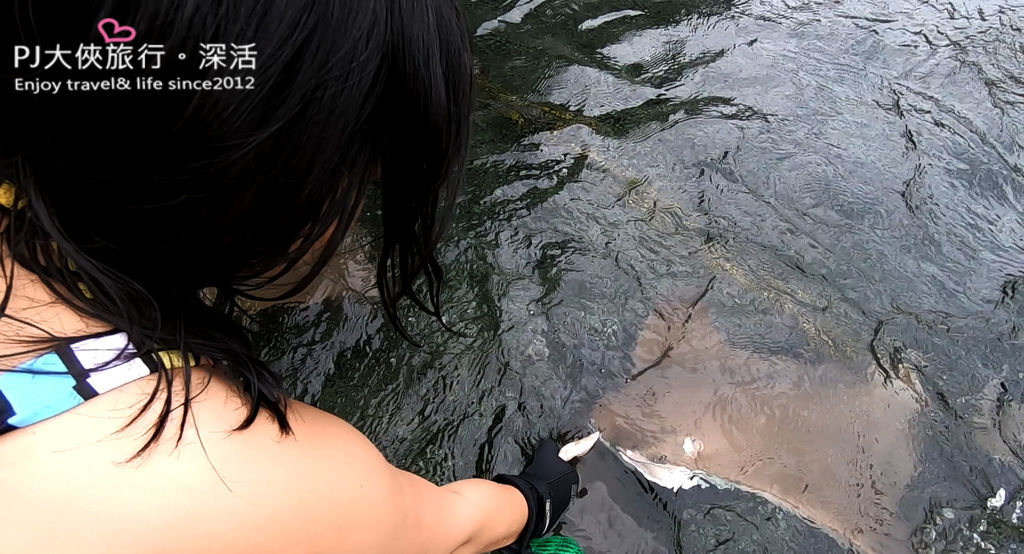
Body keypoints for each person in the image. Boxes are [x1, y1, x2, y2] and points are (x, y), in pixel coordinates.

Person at [0, 1, 580, 552]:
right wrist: (535, 497)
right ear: (262, 178)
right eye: (363, 178)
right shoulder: (251, 478)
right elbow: (449, 527)